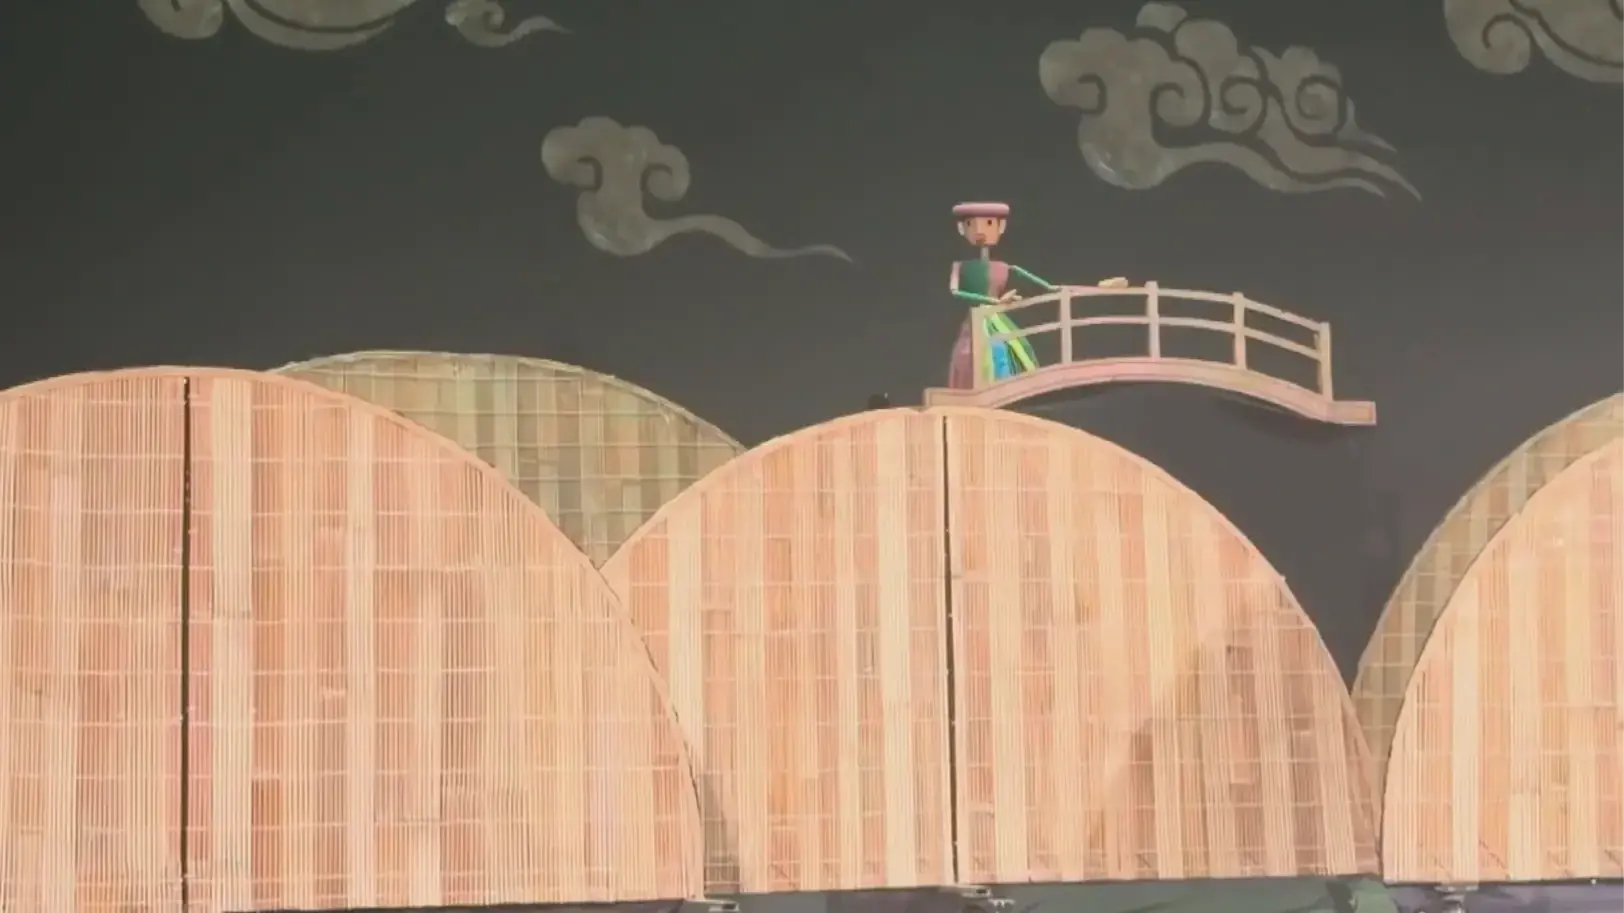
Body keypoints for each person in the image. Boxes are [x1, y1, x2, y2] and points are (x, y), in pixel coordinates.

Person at [947, 201, 1052, 388]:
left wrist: (1055, 289)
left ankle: (1007, 384)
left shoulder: (1003, 267)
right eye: (971, 224)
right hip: (977, 319)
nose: (980, 231)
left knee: (1011, 347)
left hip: (997, 320)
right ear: (962, 228)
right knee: (971, 353)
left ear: (1001, 227)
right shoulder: (961, 267)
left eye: (989, 223)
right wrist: (994, 301)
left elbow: (1033, 279)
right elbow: (955, 291)